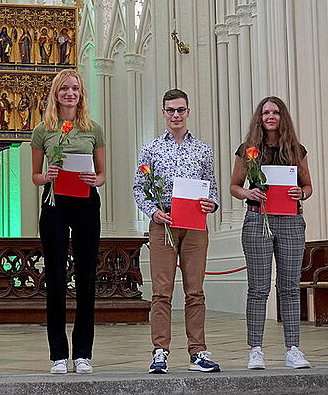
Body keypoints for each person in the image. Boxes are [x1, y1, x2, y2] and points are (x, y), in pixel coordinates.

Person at [132, 88, 220, 374]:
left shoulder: (202, 150)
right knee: (161, 291)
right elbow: (139, 188)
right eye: (170, 110)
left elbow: (213, 188)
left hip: (194, 226)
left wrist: (212, 203)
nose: (176, 115)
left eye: (181, 110)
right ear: (163, 113)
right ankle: (160, 351)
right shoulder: (152, 149)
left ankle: (198, 352)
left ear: (188, 112)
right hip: (163, 225)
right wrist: (152, 211)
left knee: (195, 292)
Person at [30, 69, 105, 375]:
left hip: (85, 201)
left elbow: (102, 174)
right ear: (56, 93)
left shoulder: (93, 129)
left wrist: (94, 178)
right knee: (56, 279)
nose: (70, 93)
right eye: (64, 89)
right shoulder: (43, 130)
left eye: (75, 88)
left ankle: (83, 353)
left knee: (86, 277)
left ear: (81, 93)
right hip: (55, 203)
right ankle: (59, 353)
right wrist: (45, 175)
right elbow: (34, 176)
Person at [230, 96, 313, 370]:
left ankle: (293, 349)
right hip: (257, 220)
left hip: (290, 221)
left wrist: (302, 193)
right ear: (259, 117)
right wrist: (247, 192)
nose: (270, 116)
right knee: (258, 288)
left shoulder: (295, 149)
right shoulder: (248, 150)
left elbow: (308, 187)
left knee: (289, 288)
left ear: (282, 117)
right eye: (265, 112)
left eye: (275, 112)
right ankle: (256, 349)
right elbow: (234, 186)